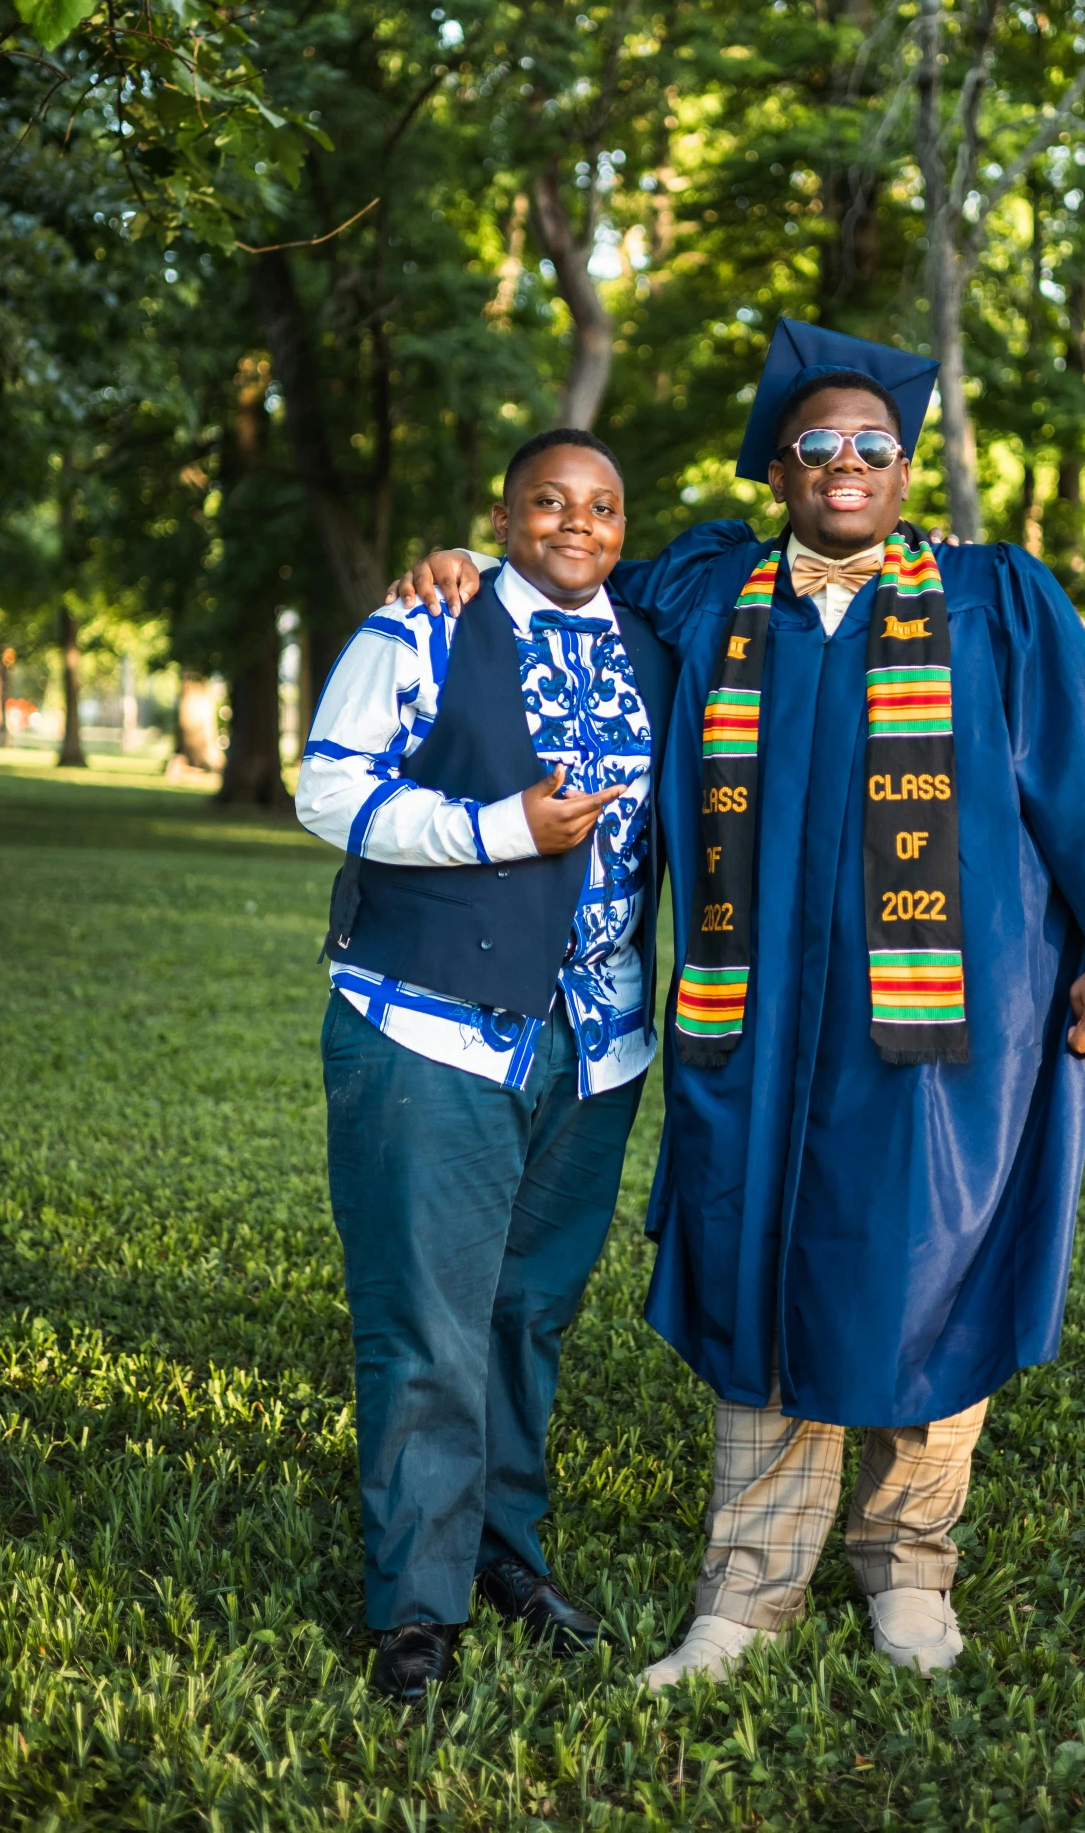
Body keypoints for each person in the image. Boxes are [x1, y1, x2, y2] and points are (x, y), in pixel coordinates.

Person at [396, 321, 1085, 1688]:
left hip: (946, 1033)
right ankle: (741, 1600)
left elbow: (1083, 767)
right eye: (816, 441)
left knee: (923, 1276)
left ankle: (908, 1576)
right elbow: (565, 575)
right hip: (752, 1027)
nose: (846, 461)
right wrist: (471, 563)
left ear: (902, 463)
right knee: (763, 1277)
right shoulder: (706, 594)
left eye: (873, 444)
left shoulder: (992, 597)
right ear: (777, 461)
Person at [296, 427, 674, 1702]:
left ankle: (506, 1551)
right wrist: (494, 828)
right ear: (503, 516)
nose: (580, 523)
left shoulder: (657, 646)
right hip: (430, 1025)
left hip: (601, 1039)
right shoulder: (421, 626)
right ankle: (417, 1606)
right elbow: (328, 792)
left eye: (605, 507)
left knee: (528, 1318)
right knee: (426, 1326)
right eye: (549, 502)